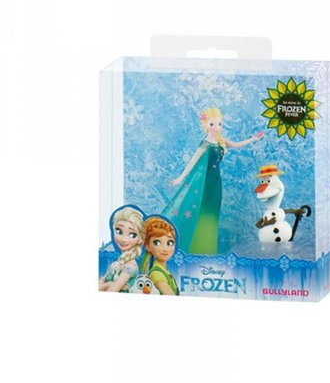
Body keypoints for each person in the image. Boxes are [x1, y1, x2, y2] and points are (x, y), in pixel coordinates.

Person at [163, 107, 264, 254]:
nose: (216, 127)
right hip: (204, 182)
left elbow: (236, 145)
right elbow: (192, 162)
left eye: (219, 124)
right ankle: (191, 244)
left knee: (211, 211)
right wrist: (180, 178)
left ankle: (205, 246)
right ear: (205, 125)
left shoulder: (220, 140)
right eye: (212, 124)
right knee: (199, 209)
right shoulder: (205, 143)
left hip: (216, 183)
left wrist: (253, 139)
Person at [99, 206, 145, 292]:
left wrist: (104, 286)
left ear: (140, 239)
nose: (124, 239)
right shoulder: (119, 262)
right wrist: (106, 285)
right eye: (119, 231)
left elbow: (111, 291)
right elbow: (102, 281)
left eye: (132, 235)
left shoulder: (130, 267)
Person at [142, 216, 179, 295]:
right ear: (147, 246)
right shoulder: (156, 273)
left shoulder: (164, 270)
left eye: (169, 243)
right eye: (157, 243)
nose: (165, 249)